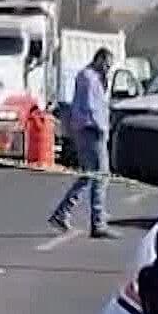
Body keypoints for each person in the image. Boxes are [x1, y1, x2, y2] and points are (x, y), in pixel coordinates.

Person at [49, 48, 120, 239]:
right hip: (91, 131)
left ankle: (62, 212)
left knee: (88, 175)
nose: (108, 68)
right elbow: (92, 107)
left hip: (88, 130)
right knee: (100, 176)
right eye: (106, 64)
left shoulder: (92, 77)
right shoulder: (89, 78)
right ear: (98, 59)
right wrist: (103, 128)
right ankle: (98, 223)